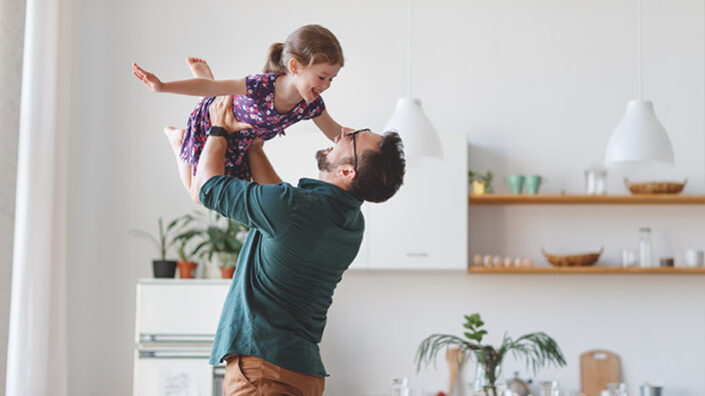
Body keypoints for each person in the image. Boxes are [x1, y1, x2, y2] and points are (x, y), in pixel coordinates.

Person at [191, 94, 405, 396]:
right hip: (302, 374)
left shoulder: (293, 208)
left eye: (353, 138)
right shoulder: (351, 224)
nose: (344, 132)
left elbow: (206, 187)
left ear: (347, 172)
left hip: (262, 371)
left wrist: (218, 129)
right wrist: (254, 147)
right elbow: (280, 207)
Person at [132, 24, 349, 196]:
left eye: (332, 79)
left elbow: (338, 135)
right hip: (212, 125)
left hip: (239, 145)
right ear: (294, 67)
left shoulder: (311, 106)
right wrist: (162, 87)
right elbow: (211, 89)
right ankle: (178, 140)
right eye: (322, 77)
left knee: (226, 193)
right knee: (199, 195)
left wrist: (376, 144)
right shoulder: (261, 86)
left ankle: (204, 76)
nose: (326, 85)